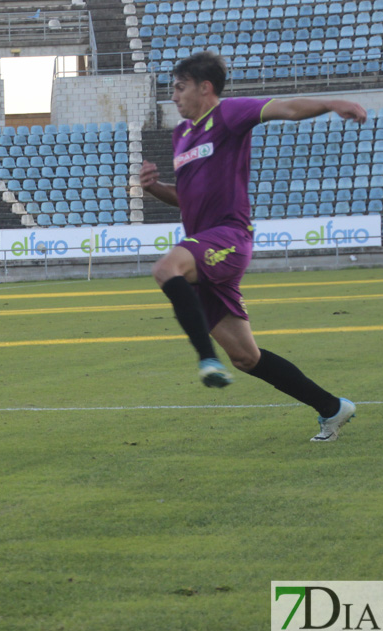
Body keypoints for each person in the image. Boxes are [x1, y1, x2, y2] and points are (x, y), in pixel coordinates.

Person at [140, 50, 367, 443]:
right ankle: (332, 408)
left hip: (229, 236)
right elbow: (191, 199)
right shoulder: (182, 135)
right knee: (247, 358)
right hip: (204, 245)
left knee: (165, 269)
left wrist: (332, 103)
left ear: (204, 87)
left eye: (179, 88)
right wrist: (156, 188)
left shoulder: (228, 114)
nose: (173, 97)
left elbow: (288, 108)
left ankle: (206, 359)